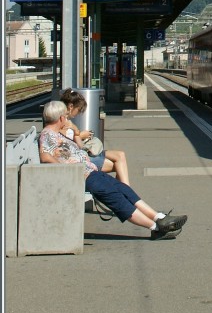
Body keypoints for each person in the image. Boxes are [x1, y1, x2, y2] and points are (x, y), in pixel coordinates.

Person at [39, 100, 187, 240]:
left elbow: (76, 148)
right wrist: (67, 170)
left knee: (123, 189)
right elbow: (44, 156)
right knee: (116, 198)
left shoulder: (58, 133)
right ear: (60, 118)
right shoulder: (47, 134)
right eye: (65, 116)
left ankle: (158, 217)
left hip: (89, 172)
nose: (66, 118)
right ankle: (156, 228)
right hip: (82, 176)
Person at [59, 87, 130, 184]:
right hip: (80, 157)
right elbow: (75, 144)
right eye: (78, 110)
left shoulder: (68, 121)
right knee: (118, 166)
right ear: (71, 106)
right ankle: (125, 192)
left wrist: (78, 133)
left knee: (120, 155)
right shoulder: (61, 121)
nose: (79, 113)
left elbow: (78, 142)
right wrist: (80, 134)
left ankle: (125, 191)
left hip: (84, 152)